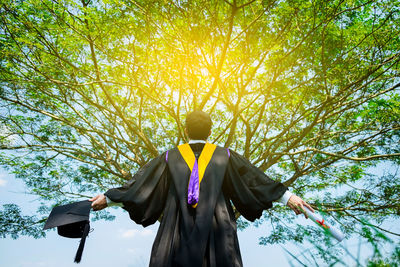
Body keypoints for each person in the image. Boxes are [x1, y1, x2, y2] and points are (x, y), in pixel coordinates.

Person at [90, 110, 313, 267]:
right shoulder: (225, 155)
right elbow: (255, 180)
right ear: (210, 131)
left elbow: (140, 187)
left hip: (176, 228)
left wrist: (108, 198)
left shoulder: (169, 157)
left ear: (186, 130)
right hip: (218, 225)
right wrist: (287, 197)